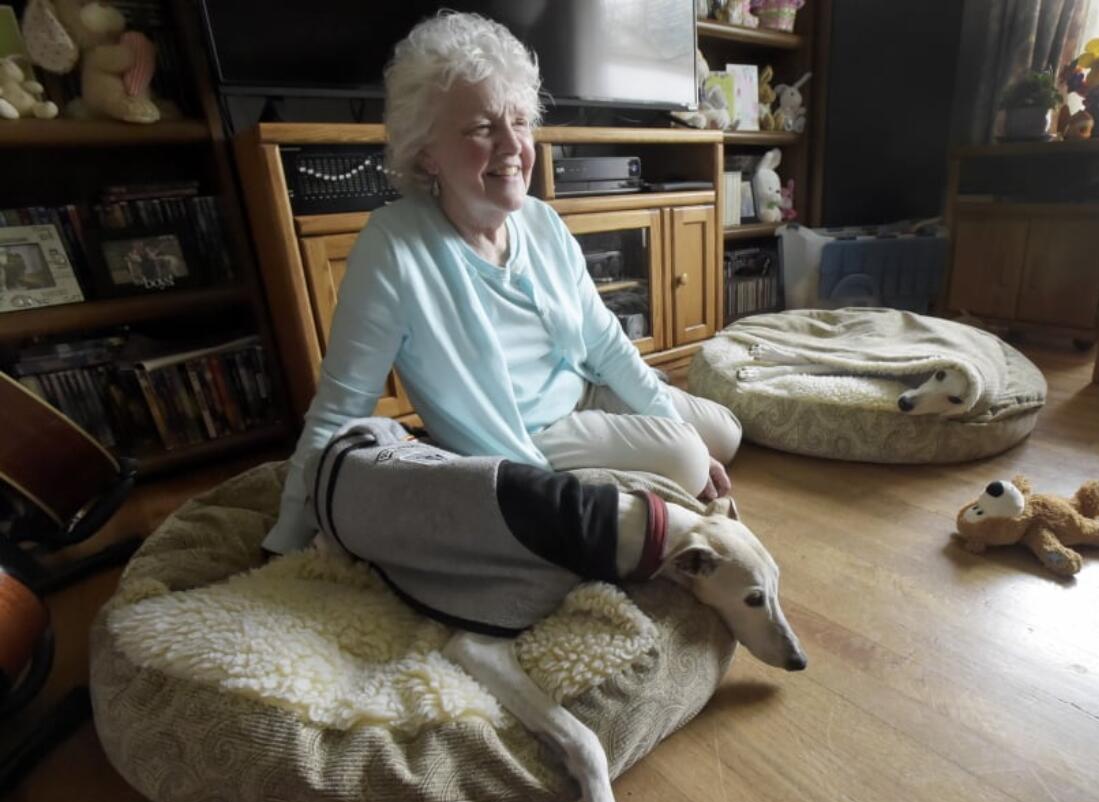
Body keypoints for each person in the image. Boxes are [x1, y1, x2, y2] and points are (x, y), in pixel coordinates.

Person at [263, 11, 742, 555]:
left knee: (724, 433)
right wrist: (284, 538)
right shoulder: (393, 249)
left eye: (520, 121)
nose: (512, 145)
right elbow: (338, 409)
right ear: (426, 151)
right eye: (481, 128)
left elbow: (605, 343)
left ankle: (632, 472)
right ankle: (609, 485)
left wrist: (655, 410)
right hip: (532, 436)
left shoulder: (540, 222)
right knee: (684, 452)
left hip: (584, 392)